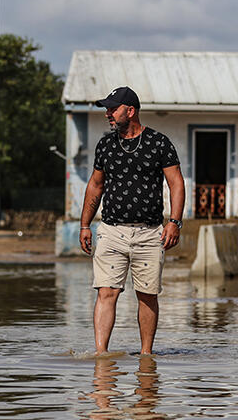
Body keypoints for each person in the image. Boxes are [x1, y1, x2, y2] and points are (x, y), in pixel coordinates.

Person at [79, 86, 185, 355]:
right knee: (106, 292)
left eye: (112, 109)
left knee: (147, 295)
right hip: (111, 231)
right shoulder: (105, 145)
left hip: (150, 233)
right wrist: (84, 224)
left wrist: (174, 221)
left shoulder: (159, 143)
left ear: (130, 110)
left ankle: (146, 356)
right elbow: (95, 185)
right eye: (107, 109)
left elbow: (176, 183)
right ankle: (101, 355)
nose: (107, 114)